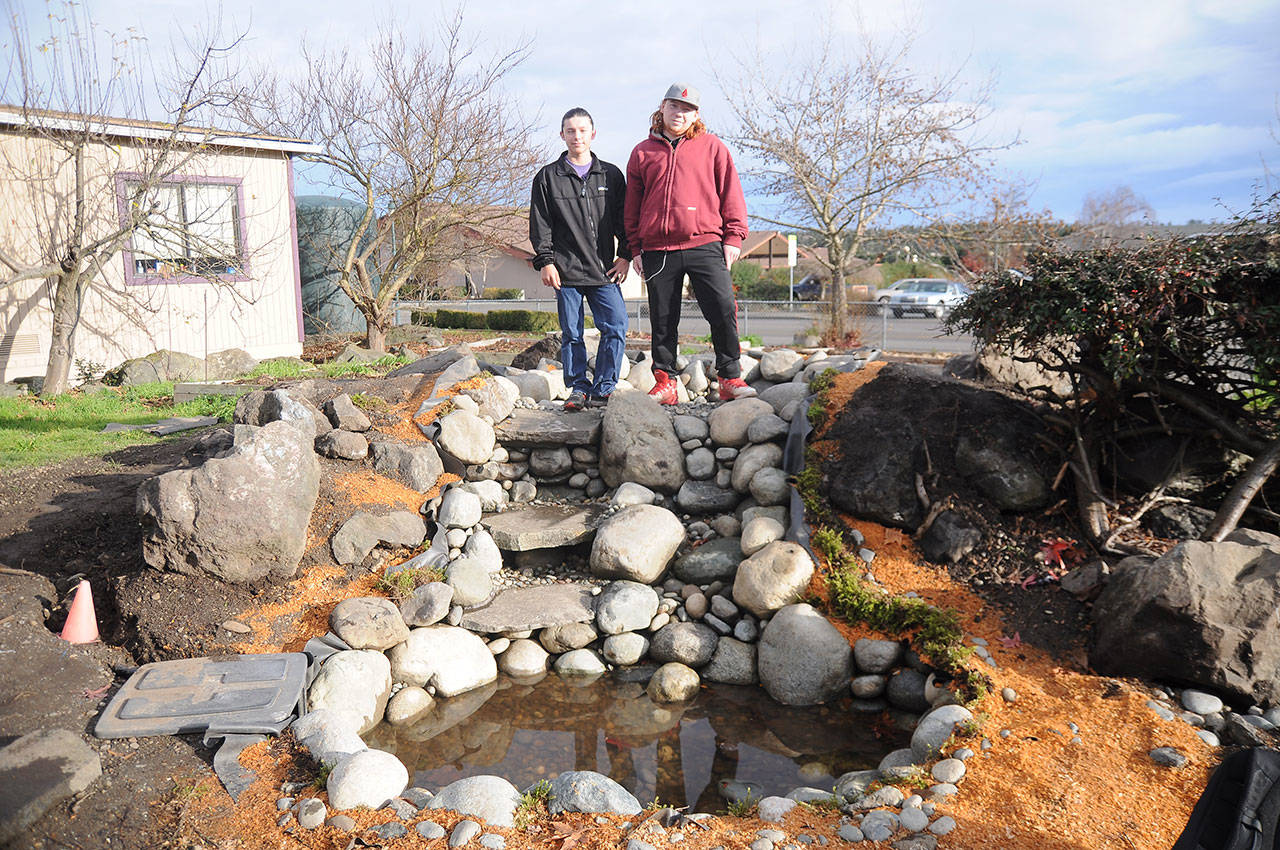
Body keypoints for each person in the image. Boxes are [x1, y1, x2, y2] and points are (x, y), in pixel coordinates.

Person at [624, 83, 755, 404]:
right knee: (663, 318)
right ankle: (666, 380)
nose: (679, 113)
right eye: (674, 107)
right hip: (658, 249)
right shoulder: (643, 152)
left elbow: (731, 193)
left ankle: (729, 377)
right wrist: (635, 248)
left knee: (723, 309)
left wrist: (734, 236)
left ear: (696, 115)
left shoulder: (712, 147)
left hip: (706, 243)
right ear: (663, 109)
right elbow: (632, 206)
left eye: (686, 109)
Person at [529, 107, 632, 411]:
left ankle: (604, 389)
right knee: (572, 334)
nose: (577, 136)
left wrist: (625, 255)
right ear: (562, 135)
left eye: (582, 130)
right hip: (566, 272)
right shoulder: (548, 177)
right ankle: (579, 389)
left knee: (615, 326)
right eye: (570, 131)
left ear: (593, 134)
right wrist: (546, 261)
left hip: (604, 272)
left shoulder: (611, 175)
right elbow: (540, 224)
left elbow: (623, 220)